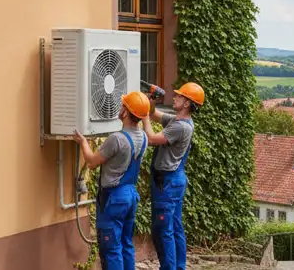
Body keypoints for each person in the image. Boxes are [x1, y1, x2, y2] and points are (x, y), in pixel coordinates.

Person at [73, 91, 150, 270]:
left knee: (111, 248)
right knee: (126, 244)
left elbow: (92, 163)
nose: (120, 107)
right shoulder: (144, 138)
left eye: (123, 105)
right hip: (130, 195)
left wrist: (83, 142)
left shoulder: (117, 139)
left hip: (113, 199)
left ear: (126, 112)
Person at [141, 82, 205, 270]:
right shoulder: (177, 121)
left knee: (163, 230)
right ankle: (179, 267)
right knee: (175, 227)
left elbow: (152, 139)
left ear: (187, 103)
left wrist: (142, 114)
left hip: (167, 183)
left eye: (179, 96)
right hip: (174, 181)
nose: (174, 97)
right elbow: (154, 114)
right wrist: (150, 103)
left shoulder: (180, 127)